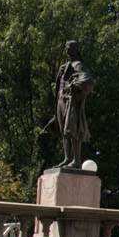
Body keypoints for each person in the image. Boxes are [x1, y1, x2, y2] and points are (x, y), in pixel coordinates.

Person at [50, 40, 94, 169]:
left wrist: (75, 85)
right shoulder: (64, 66)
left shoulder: (78, 64)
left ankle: (76, 160)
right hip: (60, 101)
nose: (67, 49)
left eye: (70, 47)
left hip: (70, 101)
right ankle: (67, 158)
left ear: (76, 50)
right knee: (64, 130)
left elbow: (87, 79)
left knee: (72, 129)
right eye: (66, 47)